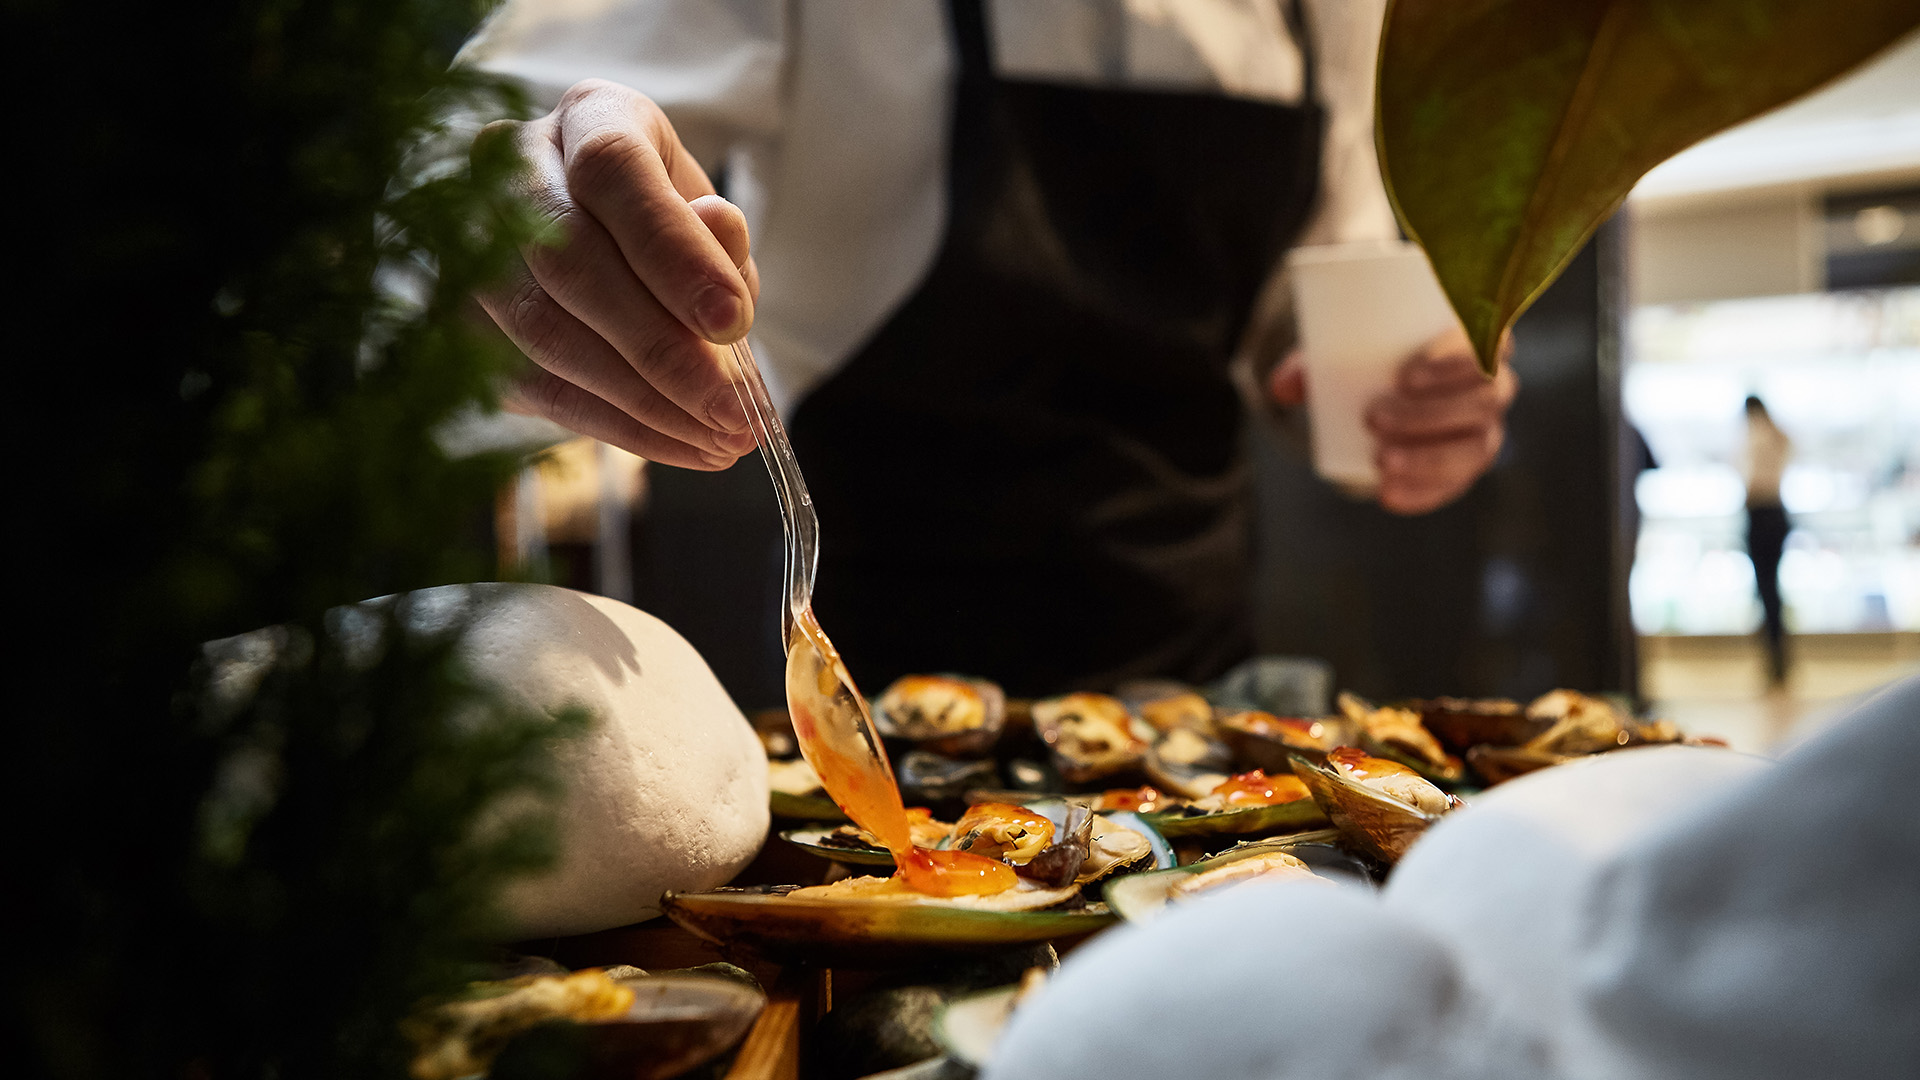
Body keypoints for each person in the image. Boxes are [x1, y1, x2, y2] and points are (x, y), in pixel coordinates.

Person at [457, 0, 1517, 695]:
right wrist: (498, 208)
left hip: (1194, 703)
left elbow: (1306, 312)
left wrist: (1398, 400)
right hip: (870, 696)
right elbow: (445, 151)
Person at [1741, 395, 1792, 686]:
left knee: (1765, 589)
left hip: (1761, 514)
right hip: (1777, 513)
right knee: (1772, 590)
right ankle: (1779, 660)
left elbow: (1753, 482)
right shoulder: (1778, 435)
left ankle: (1774, 662)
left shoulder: (1756, 435)